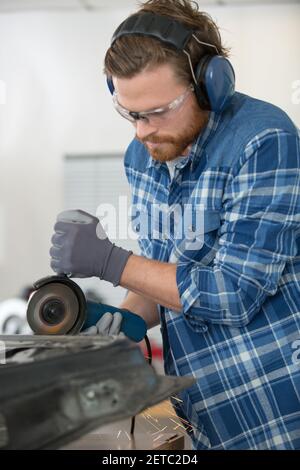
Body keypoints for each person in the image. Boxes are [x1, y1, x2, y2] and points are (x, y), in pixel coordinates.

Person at [50, 0, 300, 450]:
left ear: (210, 86)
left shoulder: (265, 139)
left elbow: (233, 292)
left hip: (277, 404)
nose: (143, 132)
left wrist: (109, 260)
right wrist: (128, 318)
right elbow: (165, 268)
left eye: (158, 111)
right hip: (203, 411)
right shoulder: (141, 157)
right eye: (131, 114)